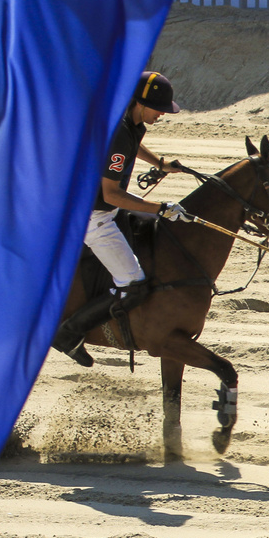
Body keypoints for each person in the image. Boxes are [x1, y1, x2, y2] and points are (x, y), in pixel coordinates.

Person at [51, 71, 194, 366]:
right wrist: (160, 207)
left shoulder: (132, 121)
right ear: (140, 103)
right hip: (93, 217)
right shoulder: (119, 133)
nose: (162, 115)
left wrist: (161, 163)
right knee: (133, 282)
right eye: (159, 109)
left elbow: (134, 144)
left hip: (102, 208)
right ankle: (69, 333)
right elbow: (112, 194)